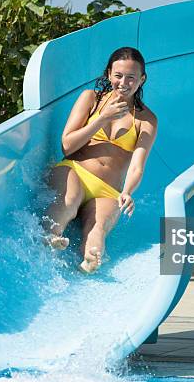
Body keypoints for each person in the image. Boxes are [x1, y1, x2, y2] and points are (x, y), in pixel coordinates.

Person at [42, 47, 158, 273]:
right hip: (75, 171)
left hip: (107, 190)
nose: (124, 82)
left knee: (98, 227)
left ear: (141, 79)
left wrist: (128, 192)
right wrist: (102, 118)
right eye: (118, 75)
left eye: (131, 77)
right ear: (108, 74)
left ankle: (90, 262)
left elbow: (137, 165)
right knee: (67, 203)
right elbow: (67, 145)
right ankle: (50, 238)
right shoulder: (91, 99)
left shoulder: (147, 120)